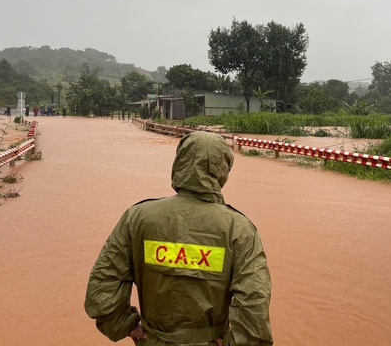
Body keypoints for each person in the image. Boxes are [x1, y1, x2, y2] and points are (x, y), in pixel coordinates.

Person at [84, 132, 273, 346]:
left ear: (180, 162)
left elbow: (103, 284)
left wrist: (123, 325)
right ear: (223, 169)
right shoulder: (239, 230)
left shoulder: (137, 219)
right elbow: (254, 303)